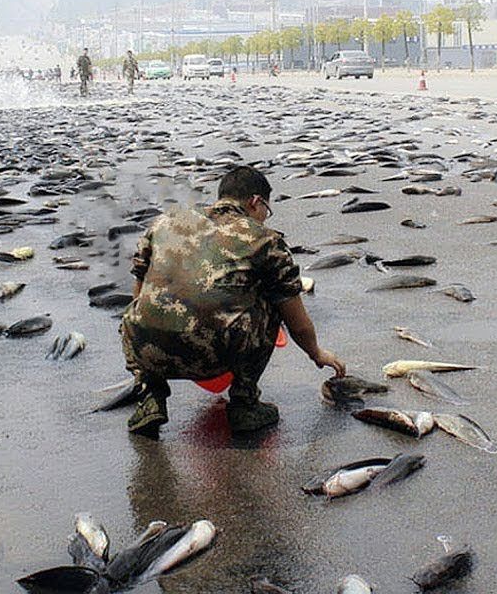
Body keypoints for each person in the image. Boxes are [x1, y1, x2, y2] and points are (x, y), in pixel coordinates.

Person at [121, 165, 347, 437]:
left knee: (143, 310)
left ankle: (150, 398)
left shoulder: (164, 222)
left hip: (147, 350)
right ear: (255, 201)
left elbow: (139, 288)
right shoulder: (264, 239)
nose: (264, 217)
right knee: (273, 299)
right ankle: (245, 403)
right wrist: (316, 353)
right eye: (266, 209)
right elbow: (295, 319)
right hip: (215, 354)